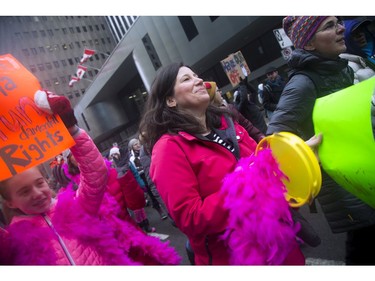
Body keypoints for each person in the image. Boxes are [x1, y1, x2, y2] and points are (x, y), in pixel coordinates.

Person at [138, 62, 322, 265]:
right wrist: (248, 183)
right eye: (186, 79)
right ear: (170, 100)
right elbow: (190, 217)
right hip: (235, 257)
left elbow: (267, 163)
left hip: (279, 241)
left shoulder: (227, 122)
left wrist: (297, 154)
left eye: (196, 75)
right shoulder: (168, 148)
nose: (199, 80)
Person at [0, 90, 180, 265]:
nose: (37, 193)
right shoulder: (11, 241)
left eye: (39, 183)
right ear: (10, 202)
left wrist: (70, 128)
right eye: (24, 191)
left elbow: (96, 174)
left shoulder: (74, 207)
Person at [267, 16, 375, 265]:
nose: (340, 29)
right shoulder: (302, 83)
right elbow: (274, 140)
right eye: (329, 26)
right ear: (309, 44)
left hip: (364, 171)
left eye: (337, 22)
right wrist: (303, 153)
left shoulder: (344, 66)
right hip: (345, 186)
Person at [128, 138, 168, 220]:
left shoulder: (145, 150)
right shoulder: (132, 158)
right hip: (143, 177)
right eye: (135, 144)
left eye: (138, 143)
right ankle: (160, 210)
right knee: (152, 195)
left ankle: (167, 207)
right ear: (132, 147)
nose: (138, 145)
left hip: (152, 172)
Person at [340, 19, 375, 83]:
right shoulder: (349, 68)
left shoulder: (371, 49)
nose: (360, 35)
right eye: (354, 34)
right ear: (346, 39)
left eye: (361, 30)